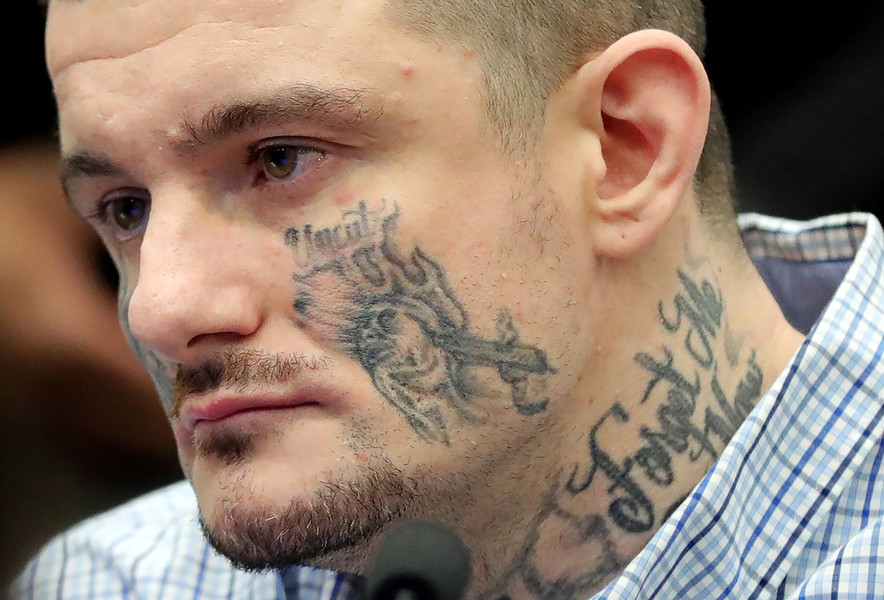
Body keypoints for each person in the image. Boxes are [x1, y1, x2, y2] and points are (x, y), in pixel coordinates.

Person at [10, 0, 884, 598]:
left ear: (627, 147)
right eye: (124, 210)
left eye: (282, 159)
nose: (161, 310)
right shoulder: (108, 580)